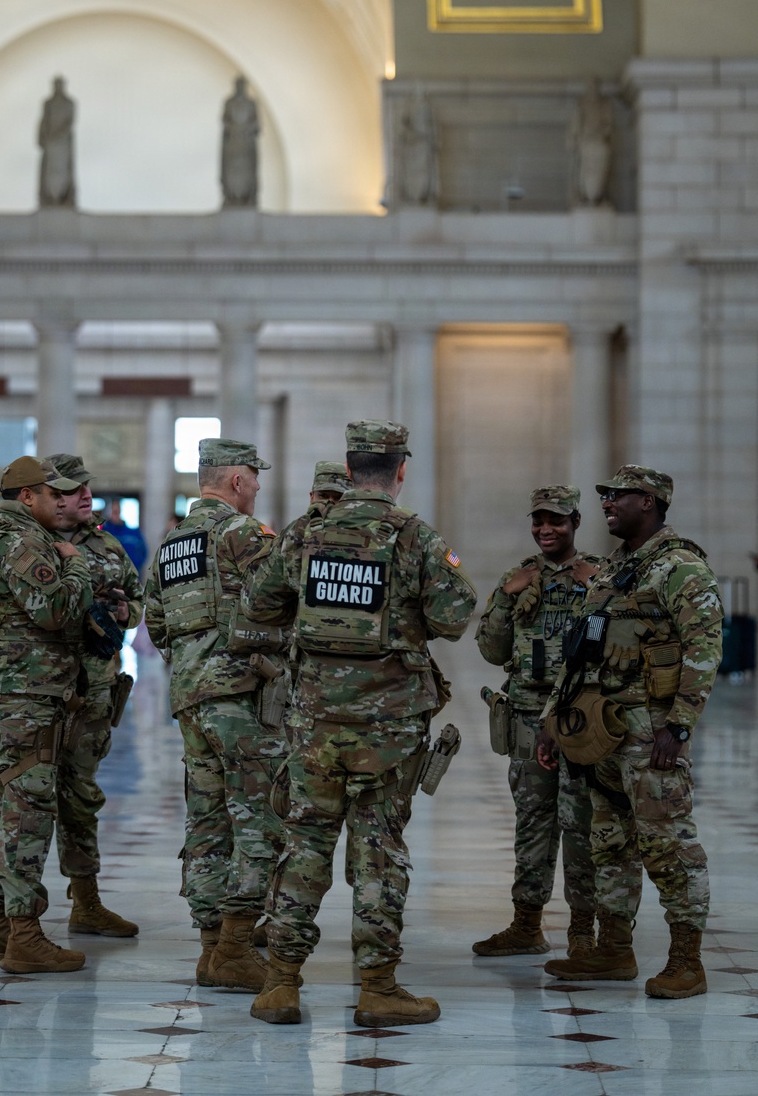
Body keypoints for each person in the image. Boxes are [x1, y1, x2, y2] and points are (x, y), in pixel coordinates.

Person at [243, 420, 478, 1027]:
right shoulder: (415, 538)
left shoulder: (304, 533)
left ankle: (280, 985)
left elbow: (258, 606)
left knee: (304, 843)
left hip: (314, 722)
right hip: (389, 729)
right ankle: (377, 988)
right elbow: (454, 618)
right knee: (378, 851)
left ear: (348, 471)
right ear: (401, 470)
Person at [540, 466, 723, 999]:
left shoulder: (680, 567)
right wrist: (553, 720)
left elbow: (705, 649)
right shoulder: (612, 570)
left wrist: (679, 726)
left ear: (648, 501)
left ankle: (687, 961)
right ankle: (614, 950)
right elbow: (580, 652)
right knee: (610, 842)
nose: (607, 504)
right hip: (603, 732)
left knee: (667, 843)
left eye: (616, 496)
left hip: (652, 732)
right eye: (605, 496)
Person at [0, 455, 115, 975]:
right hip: (22, 695)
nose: (62, 501)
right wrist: (75, 563)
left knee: (2, 805)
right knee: (28, 810)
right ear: (28, 497)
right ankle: (24, 935)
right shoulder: (24, 541)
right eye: (53, 494)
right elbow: (55, 610)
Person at [143, 438, 282, 993]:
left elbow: (155, 621)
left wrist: (192, 663)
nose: (258, 486)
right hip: (241, 700)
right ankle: (235, 948)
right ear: (236, 482)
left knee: (206, 821)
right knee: (258, 820)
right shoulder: (243, 533)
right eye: (254, 477)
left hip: (190, 697)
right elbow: (282, 602)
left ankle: (210, 947)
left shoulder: (172, 541)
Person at [473, 487, 598, 958]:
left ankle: (583, 930)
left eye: (556, 521)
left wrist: (597, 591)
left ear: (576, 522)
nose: (546, 529)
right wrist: (507, 598)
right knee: (533, 822)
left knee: (581, 824)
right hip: (527, 717)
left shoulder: (599, 575)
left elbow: (612, 646)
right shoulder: (519, 577)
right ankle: (526, 924)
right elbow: (492, 651)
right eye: (539, 520)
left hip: (580, 718)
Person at [44, 455, 143, 938]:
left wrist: (125, 612)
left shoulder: (107, 545)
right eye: (72, 489)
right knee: (19, 800)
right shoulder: (29, 542)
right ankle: (2, 917)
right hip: (39, 692)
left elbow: (138, 602)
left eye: (86, 486)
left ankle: (85, 901)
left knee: (81, 794)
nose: (86, 495)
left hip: (93, 692)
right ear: (46, 496)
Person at [100, 498, 148, 576]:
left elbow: (143, 552)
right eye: (114, 512)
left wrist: (134, 567)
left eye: (117, 511)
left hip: (131, 576)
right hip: (110, 577)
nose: (116, 515)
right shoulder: (103, 533)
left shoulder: (133, 533)